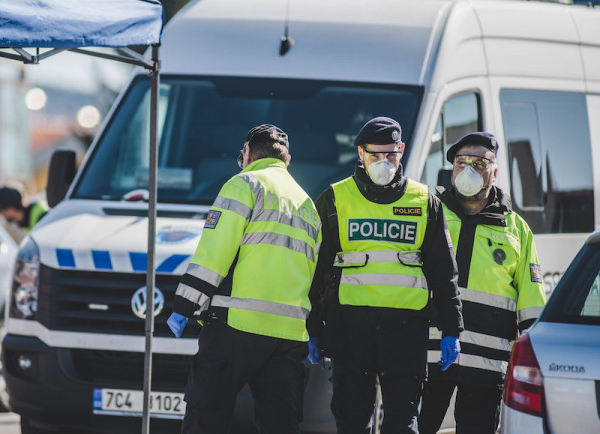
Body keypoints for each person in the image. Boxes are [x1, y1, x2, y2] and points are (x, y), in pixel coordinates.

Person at [306, 117, 464, 434]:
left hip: (406, 331)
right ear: (360, 154)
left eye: (390, 154)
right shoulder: (335, 199)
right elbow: (318, 270)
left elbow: (443, 271)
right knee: (352, 422)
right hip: (350, 328)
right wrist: (313, 327)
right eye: (375, 155)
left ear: (401, 150)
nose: (383, 162)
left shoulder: (424, 202)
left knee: (403, 425)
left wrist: (451, 328)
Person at [167, 124, 322, 434]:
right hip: (288, 335)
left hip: (236, 325)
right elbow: (312, 275)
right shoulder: (307, 205)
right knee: (280, 423)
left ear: (248, 153)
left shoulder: (244, 184)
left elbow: (214, 255)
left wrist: (183, 306)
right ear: (286, 159)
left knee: (206, 416)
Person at [418, 132, 546, 434]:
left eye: (479, 163)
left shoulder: (516, 229)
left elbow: (531, 298)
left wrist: (533, 354)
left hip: (487, 364)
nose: (469, 170)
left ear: (495, 171)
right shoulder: (431, 213)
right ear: (452, 169)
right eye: (462, 163)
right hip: (430, 355)